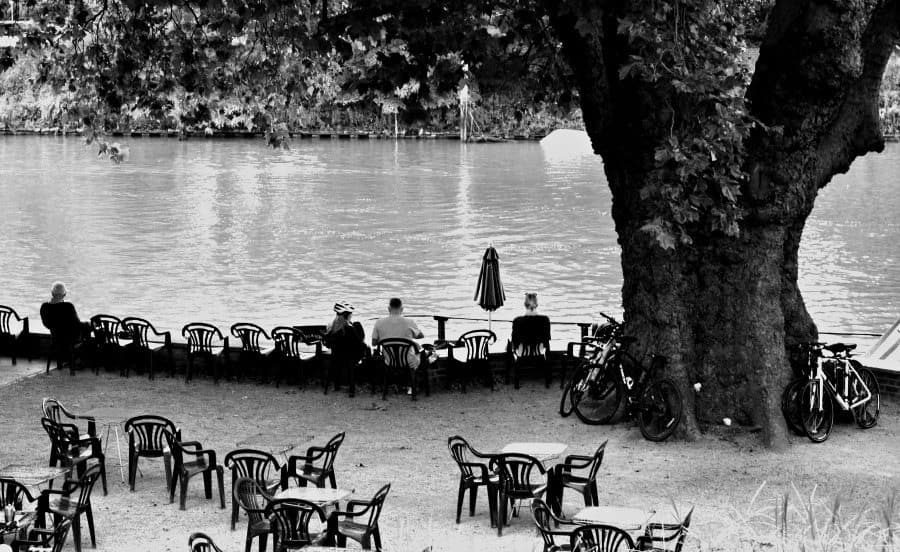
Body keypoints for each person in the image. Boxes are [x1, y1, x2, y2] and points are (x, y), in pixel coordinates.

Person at [371, 297, 432, 397]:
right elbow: (421, 336)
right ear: (402, 309)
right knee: (422, 354)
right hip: (408, 361)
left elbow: (374, 343)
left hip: (390, 360)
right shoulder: (409, 322)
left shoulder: (379, 322)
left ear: (388, 308)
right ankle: (417, 387)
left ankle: (391, 389)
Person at [40, 281, 90, 369]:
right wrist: (89, 324)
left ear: (52, 293)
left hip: (56, 338)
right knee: (87, 330)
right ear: (64, 294)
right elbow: (77, 324)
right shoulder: (68, 307)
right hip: (70, 339)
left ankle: (73, 360)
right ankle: (80, 360)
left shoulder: (44, 307)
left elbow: (47, 324)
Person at [323, 301, 367, 397]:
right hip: (350, 358)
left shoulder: (331, 327)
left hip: (336, 357)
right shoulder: (351, 328)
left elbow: (327, 344)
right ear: (348, 315)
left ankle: (336, 385)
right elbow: (359, 343)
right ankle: (351, 389)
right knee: (358, 326)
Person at [510, 292, 552, 388]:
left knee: (511, 346)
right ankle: (548, 379)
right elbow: (547, 339)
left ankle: (514, 381)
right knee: (547, 346)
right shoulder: (545, 320)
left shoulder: (517, 321)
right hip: (539, 352)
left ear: (525, 305)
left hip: (522, 353)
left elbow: (514, 341)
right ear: (536, 305)